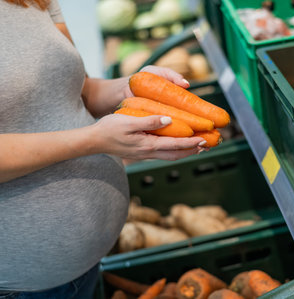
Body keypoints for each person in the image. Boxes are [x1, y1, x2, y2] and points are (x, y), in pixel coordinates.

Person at [0, 0, 207, 298]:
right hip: (23, 286)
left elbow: (78, 89)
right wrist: (94, 139)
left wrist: (132, 88)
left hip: (84, 262)